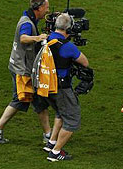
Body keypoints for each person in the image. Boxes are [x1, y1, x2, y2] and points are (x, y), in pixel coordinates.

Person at [0, 0, 51, 144]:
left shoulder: (29, 18)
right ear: (39, 8)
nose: (48, 10)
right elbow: (23, 38)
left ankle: (48, 134)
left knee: (33, 100)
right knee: (24, 100)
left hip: (20, 66)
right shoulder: (26, 23)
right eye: (46, 8)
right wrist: (38, 38)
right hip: (23, 69)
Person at [42, 13, 89, 162]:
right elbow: (85, 62)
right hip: (61, 87)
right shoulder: (67, 46)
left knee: (60, 112)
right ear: (70, 28)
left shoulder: (45, 39)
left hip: (45, 85)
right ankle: (55, 153)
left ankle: (51, 143)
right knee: (73, 118)